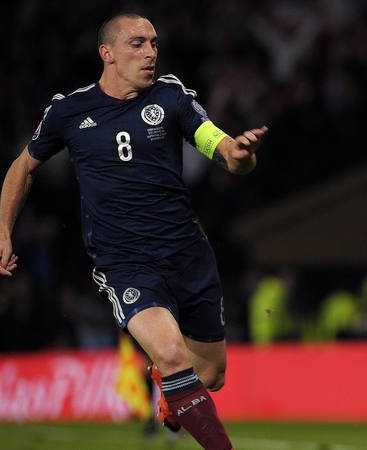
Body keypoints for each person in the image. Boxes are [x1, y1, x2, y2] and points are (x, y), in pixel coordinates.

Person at [0, 12, 268, 450]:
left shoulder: (172, 97)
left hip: (187, 255)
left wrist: (239, 154)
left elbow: (218, 146)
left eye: (154, 44)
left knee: (210, 377)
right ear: (107, 53)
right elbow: (22, 168)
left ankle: (171, 393)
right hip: (125, 263)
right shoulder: (70, 110)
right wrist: (3, 230)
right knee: (173, 356)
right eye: (137, 43)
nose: (150, 53)